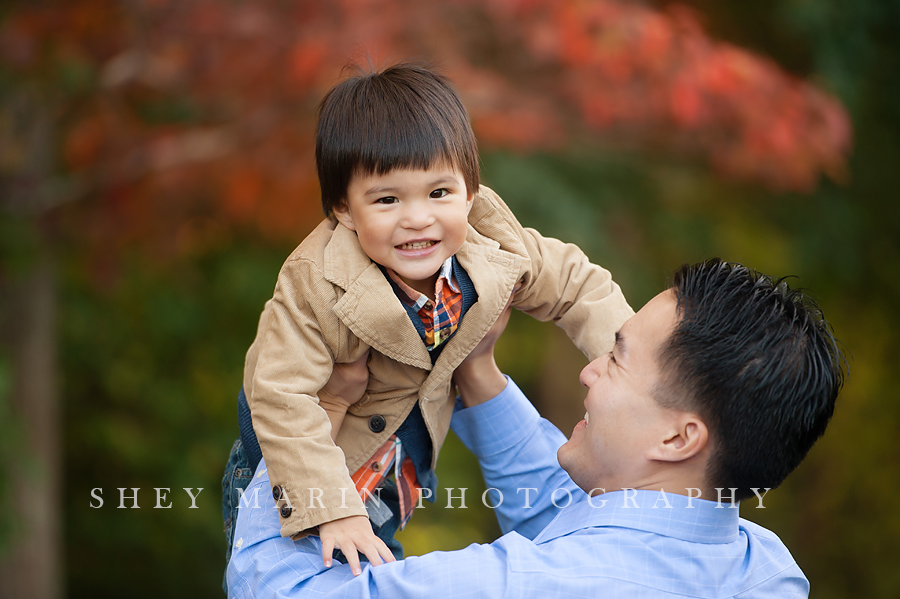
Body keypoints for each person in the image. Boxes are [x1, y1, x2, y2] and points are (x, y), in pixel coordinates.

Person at [221, 62, 633, 577]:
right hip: (300, 468)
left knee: (378, 568)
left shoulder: (493, 249)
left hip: (392, 471)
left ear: (470, 191)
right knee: (298, 579)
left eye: (439, 193)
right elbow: (281, 395)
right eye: (388, 200)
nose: (418, 218)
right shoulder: (315, 282)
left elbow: (579, 288)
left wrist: (630, 369)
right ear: (344, 211)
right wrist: (331, 507)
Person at [226, 259, 844, 598]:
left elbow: (283, 593)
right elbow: (578, 521)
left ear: (679, 439)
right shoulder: (764, 569)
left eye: (617, 358)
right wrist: (476, 369)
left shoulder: (527, 587)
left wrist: (318, 416)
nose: (588, 372)